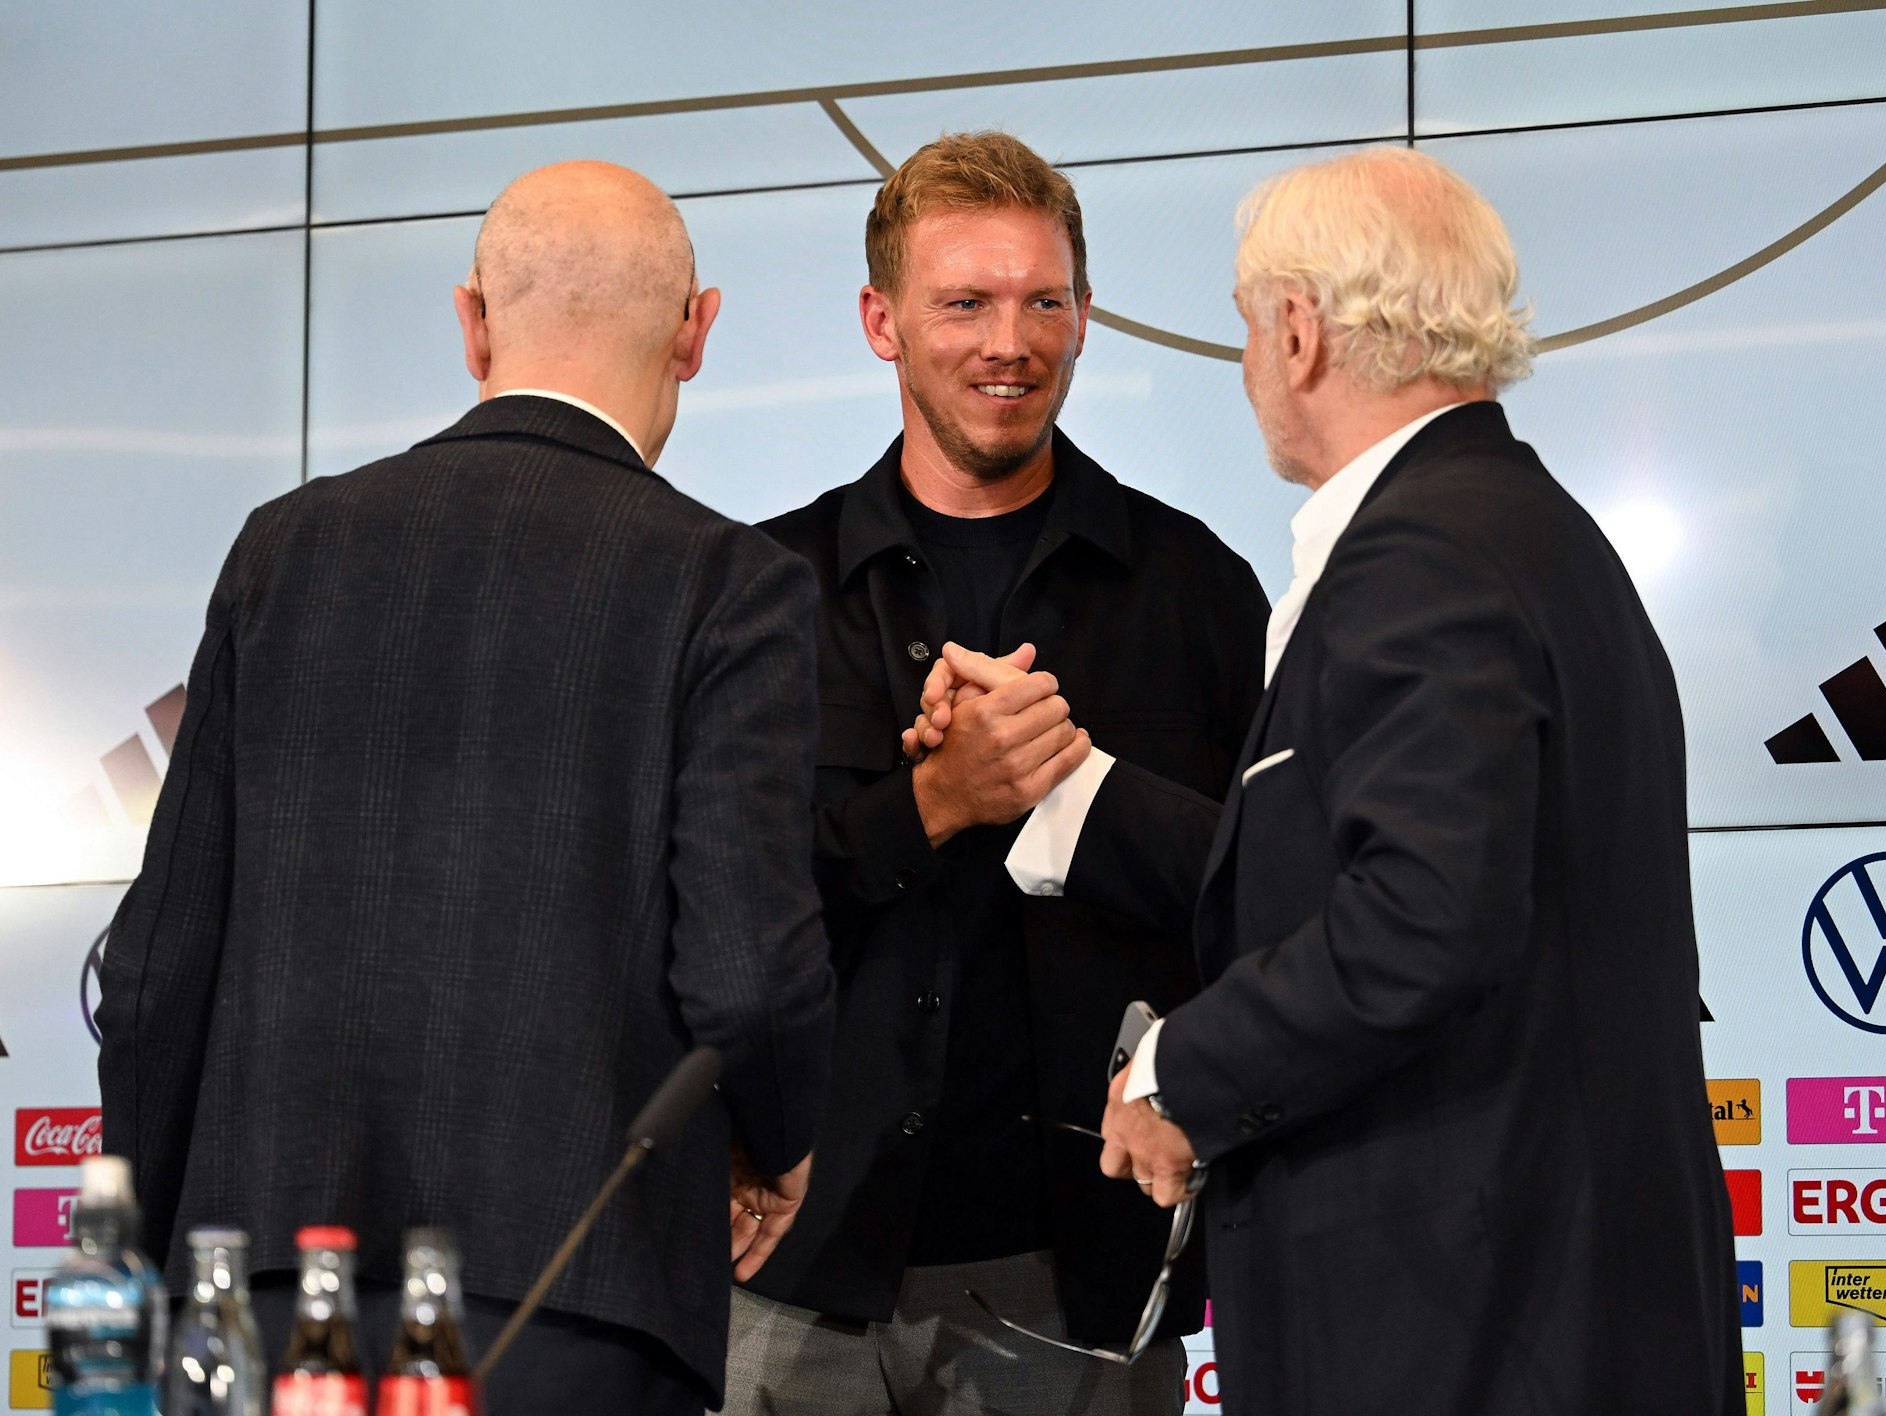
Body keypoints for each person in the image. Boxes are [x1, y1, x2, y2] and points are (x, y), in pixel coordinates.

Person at [917, 146, 1742, 1414]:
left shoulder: (1419, 559)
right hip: (1539, 1302)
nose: (1248, 363)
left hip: (1465, 1327)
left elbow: (1421, 917)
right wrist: (1074, 788)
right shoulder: (1526, 531)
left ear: (1297, 331)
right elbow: (1361, 874)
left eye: (1248, 326)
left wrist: (1178, 1071)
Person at [94, 161, 836, 1416]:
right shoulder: (730, 584)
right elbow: (749, 977)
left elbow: (156, 969)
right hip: (574, 1305)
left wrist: (163, 1255)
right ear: (696, 332)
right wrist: (777, 1142)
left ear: (473, 321)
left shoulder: (287, 549)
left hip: (264, 1302)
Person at [726, 132, 1269, 1416]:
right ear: (882, 321)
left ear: (1084, 316)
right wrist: (929, 803)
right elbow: (706, 908)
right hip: (791, 1272)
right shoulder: (760, 594)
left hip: (1081, 1285)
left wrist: (1081, 791)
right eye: (964, 301)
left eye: (1043, 301)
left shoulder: (1193, 589)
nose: (1008, 342)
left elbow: (1262, 895)